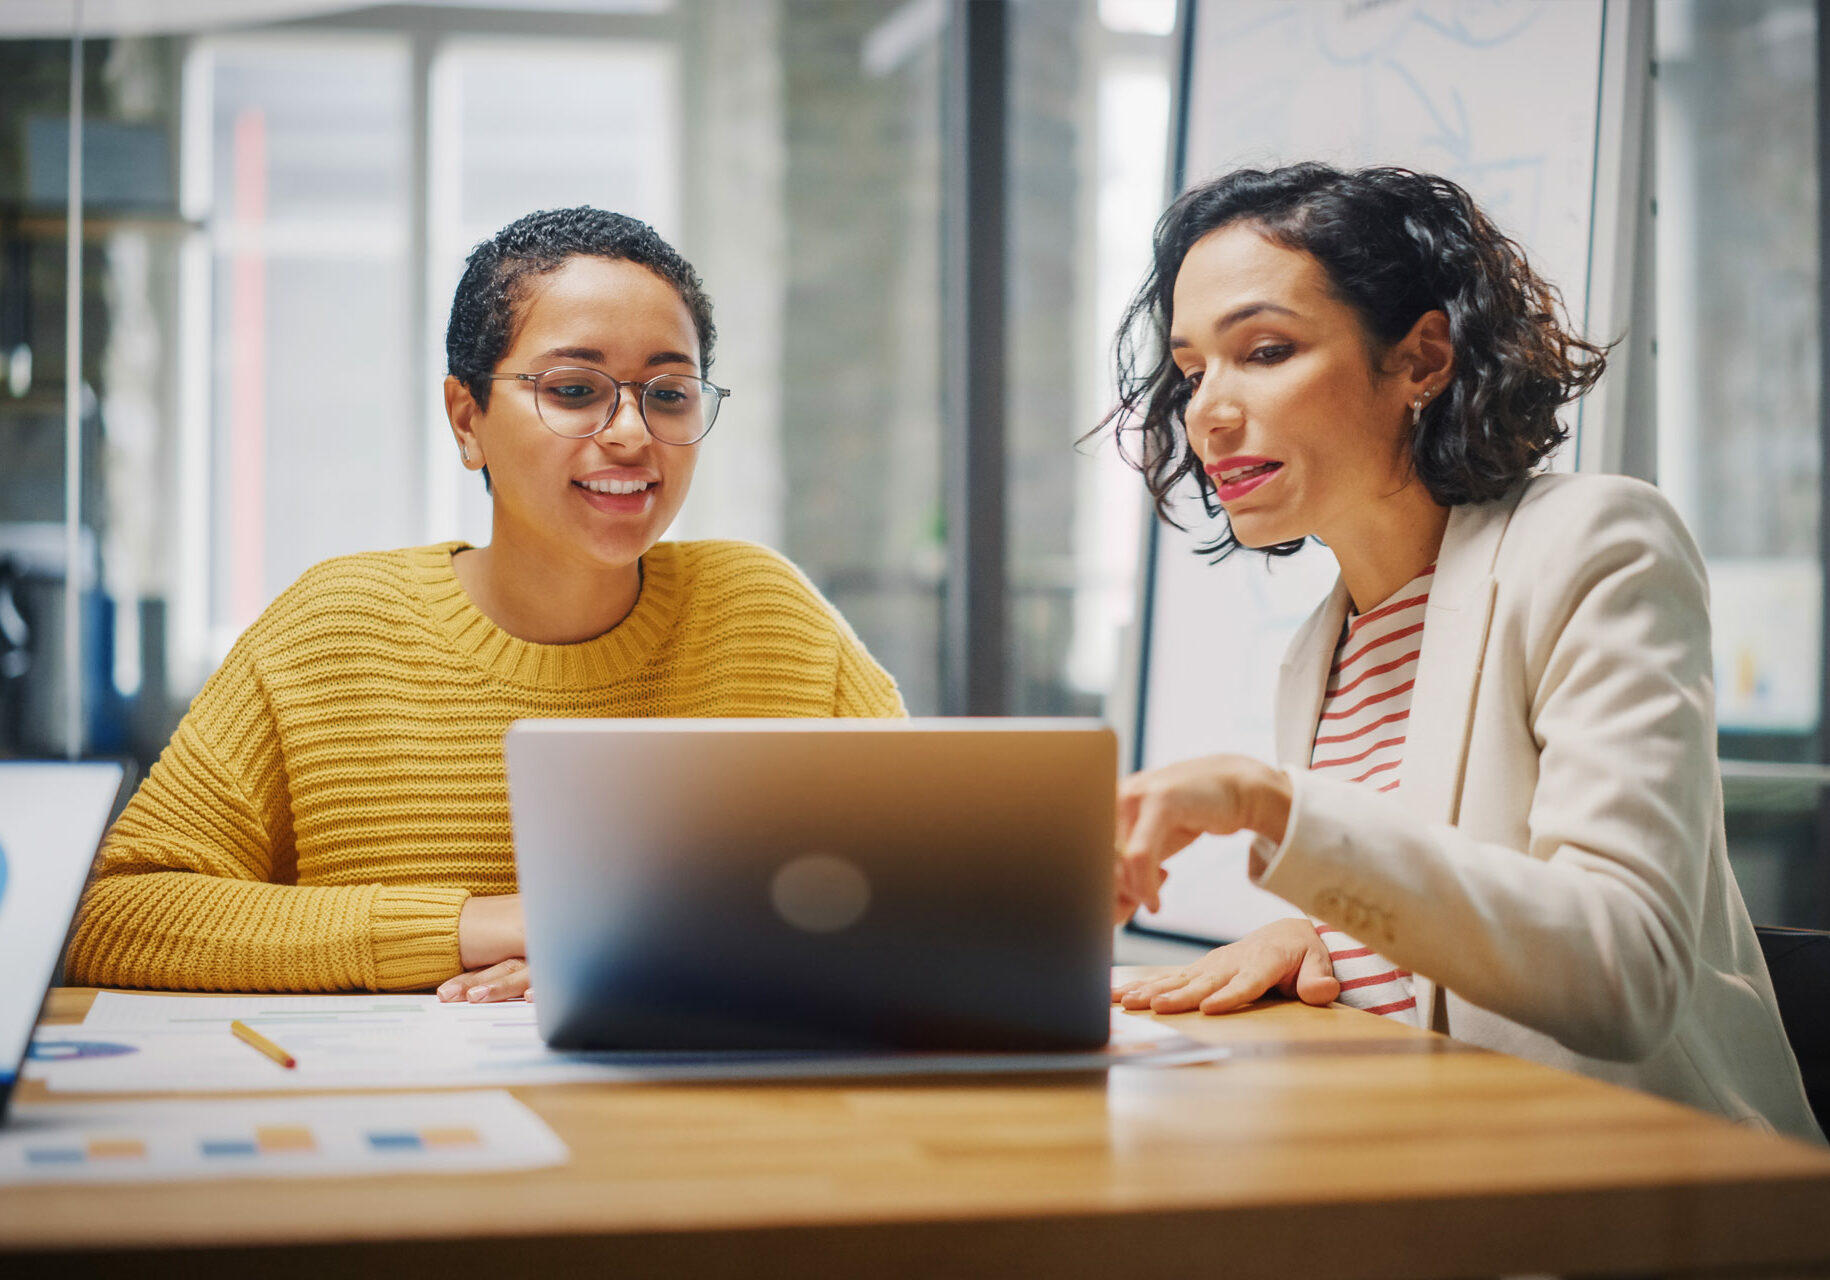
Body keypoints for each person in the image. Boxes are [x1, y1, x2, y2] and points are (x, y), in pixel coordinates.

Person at [1103, 162, 1819, 1140]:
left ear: (1422, 358)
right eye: (1192, 370)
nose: (1208, 411)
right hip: (1430, 1156)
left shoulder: (1597, 544)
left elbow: (1622, 970)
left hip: (1646, 1191)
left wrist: (1274, 807)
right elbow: (1443, 921)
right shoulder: (1321, 647)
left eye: (1264, 350)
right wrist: (1324, 932)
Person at [66, 207, 904, 1003]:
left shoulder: (770, 616)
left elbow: (922, 887)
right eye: (576, 390)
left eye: (669, 393)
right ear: (467, 419)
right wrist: (483, 926)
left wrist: (649, 941)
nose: (631, 433)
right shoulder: (332, 630)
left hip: (702, 1109)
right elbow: (117, 916)